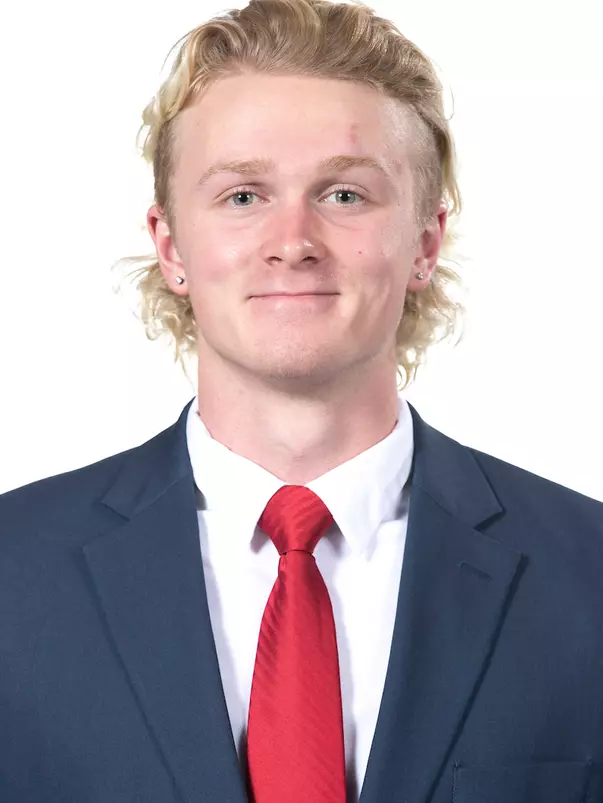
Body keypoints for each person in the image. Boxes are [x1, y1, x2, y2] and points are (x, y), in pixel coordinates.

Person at [1, 0, 602, 800]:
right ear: (171, 245)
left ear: (424, 241)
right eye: (243, 195)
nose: (294, 238)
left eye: (345, 195)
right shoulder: (13, 573)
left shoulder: (586, 575)